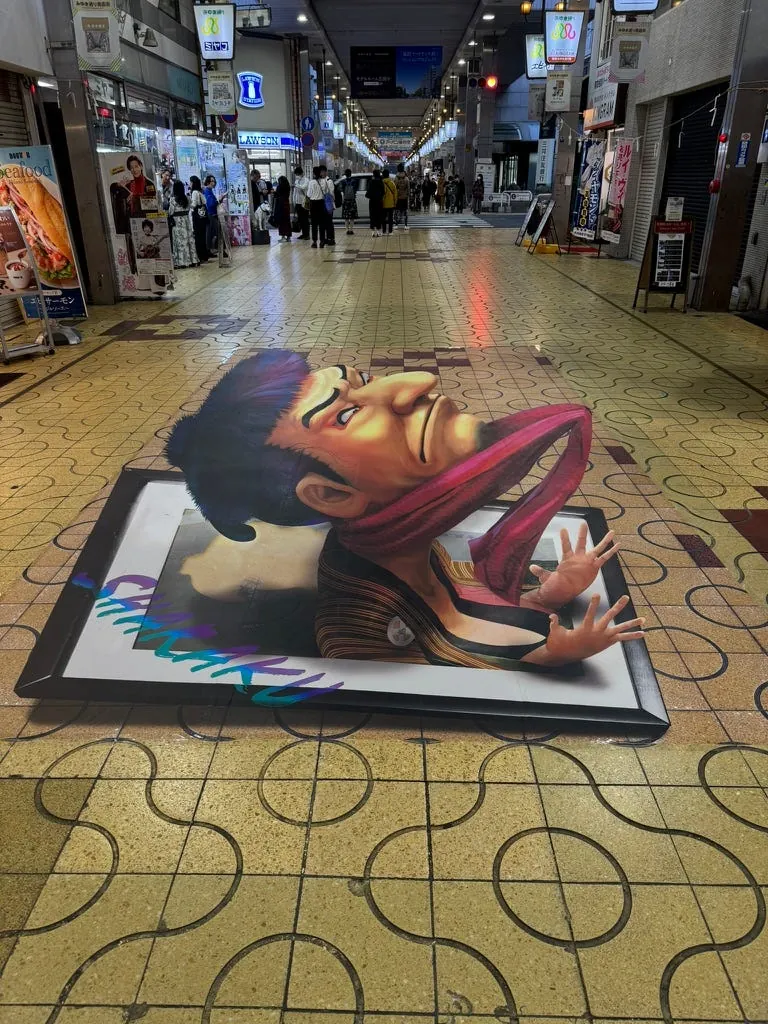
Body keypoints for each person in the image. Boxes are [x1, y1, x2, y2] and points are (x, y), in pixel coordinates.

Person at [165, 352, 643, 671]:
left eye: (363, 382)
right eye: (346, 414)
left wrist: (546, 596)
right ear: (330, 495)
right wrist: (549, 656)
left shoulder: (400, 549)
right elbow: (433, 675)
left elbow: (455, 594)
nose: (417, 382)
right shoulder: (356, 622)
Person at [168, 179, 198, 268]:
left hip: (177, 222)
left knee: (179, 242)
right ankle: (193, 260)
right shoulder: (187, 198)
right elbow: (192, 206)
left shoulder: (173, 200)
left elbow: (171, 212)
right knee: (189, 240)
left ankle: (182, 262)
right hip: (186, 221)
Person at [307, 166, 333, 248]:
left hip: (313, 204)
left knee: (314, 224)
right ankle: (322, 241)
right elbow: (326, 192)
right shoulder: (324, 181)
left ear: (314, 173)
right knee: (322, 224)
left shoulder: (311, 182)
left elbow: (309, 194)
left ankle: (314, 242)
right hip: (322, 203)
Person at [189, 175, 209, 264]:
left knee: (198, 237)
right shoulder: (200, 192)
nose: (190, 184)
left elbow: (193, 205)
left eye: (190, 182)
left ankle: (200, 256)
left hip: (197, 217)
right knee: (202, 236)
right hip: (202, 216)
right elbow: (205, 202)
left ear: (193, 183)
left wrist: (188, 203)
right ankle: (204, 256)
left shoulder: (194, 192)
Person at [292, 165, 310, 240]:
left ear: (302, 173)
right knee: (300, 219)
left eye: (298, 174)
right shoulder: (296, 181)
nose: (297, 176)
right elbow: (295, 192)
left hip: (305, 202)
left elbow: (304, 187)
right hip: (298, 203)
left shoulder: (306, 180)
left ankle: (307, 235)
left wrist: (297, 185)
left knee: (305, 219)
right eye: (296, 174)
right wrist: (294, 202)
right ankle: (303, 234)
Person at [318, 166, 335, 246]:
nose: (321, 173)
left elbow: (331, 192)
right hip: (321, 204)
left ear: (325, 172)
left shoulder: (329, 181)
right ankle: (324, 239)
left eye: (322, 172)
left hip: (328, 204)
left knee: (329, 222)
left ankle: (331, 238)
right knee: (322, 223)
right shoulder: (318, 180)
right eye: (320, 172)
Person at [203, 175, 219, 255]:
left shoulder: (210, 191)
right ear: (208, 182)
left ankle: (212, 248)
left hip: (213, 214)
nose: (214, 183)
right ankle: (210, 249)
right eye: (212, 181)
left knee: (213, 232)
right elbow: (210, 203)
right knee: (211, 233)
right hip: (210, 214)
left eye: (214, 181)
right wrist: (218, 201)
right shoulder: (207, 191)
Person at [339, 169, 358, 235]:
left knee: (346, 217)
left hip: (346, 200)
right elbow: (355, 190)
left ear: (345, 174)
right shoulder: (354, 181)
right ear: (350, 174)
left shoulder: (343, 182)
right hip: (352, 200)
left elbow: (342, 190)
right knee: (352, 217)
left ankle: (347, 230)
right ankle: (351, 230)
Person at [366, 168, 385, 237]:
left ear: (373, 174)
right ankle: (379, 231)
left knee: (372, 216)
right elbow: (383, 192)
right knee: (379, 216)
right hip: (379, 201)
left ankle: (373, 232)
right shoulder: (381, 182)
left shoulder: (371, 182)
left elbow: (368, 191)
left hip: (372, 201)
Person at [274, 176, 292, 242]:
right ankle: (288, 237)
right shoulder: (288, 186)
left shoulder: (279, 187)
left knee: (281, 221)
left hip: (280, 204)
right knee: (287, 220)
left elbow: (276, 195)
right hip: (286, 204)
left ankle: (283, 237)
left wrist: (274, 192)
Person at [381, 169, 397, 235]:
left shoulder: (381, 183)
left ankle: (384, 231)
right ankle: (390, 231)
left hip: (383, 204)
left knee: (383, 218)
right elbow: (395, 193)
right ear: (388, 175)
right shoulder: (392, 183)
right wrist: (395, 202)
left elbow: (382, 194)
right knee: (390, 218)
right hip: (391, 204)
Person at [395, 163, 409, 230]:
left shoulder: (396, 178)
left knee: (397, 211)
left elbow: (394, 188)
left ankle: (396, 225)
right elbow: (408, 189)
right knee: (405, 211)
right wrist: (407, 195)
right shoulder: (406, 178)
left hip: (398, 197)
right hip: (404, 198)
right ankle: (405, 225)